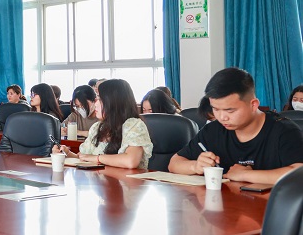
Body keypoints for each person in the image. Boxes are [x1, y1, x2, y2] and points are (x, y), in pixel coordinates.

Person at [169, 68, 303, 184]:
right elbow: (174, 163)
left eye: (230, 110)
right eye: (216, 109)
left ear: (253, 105)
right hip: (224, 203)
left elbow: (299, 174)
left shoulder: (284, 131)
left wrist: (245, 175)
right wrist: (195, 166)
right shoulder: (213, 130)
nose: (222, 117)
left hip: (270, 205)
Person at [54, 79, 153, 169]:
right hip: (100, 181)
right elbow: (83, 157)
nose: (96, 104)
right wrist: (66, 153)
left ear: (114, 102)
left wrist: (97, 158)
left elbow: (130, 161)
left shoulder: (134, 125)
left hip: (126, 182)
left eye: (100, 100)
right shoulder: (97, 127)